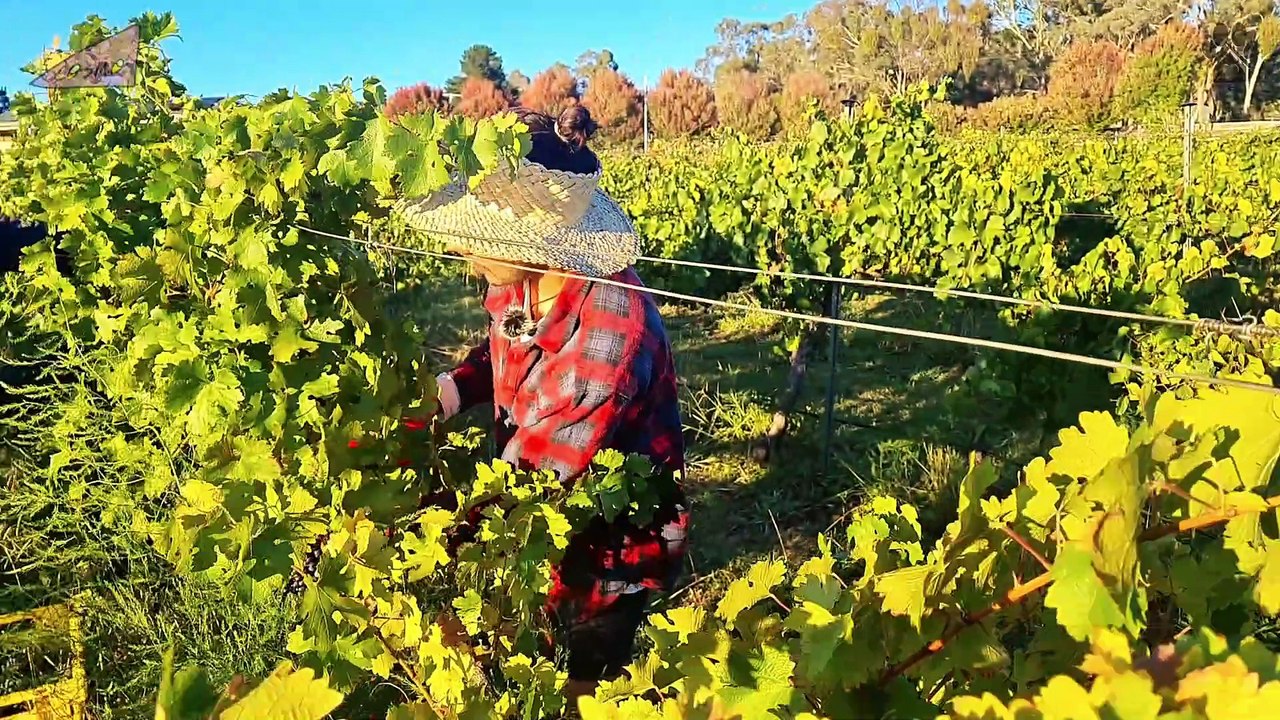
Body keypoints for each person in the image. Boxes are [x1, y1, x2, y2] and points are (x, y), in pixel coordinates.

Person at [396, 105, 689, 699]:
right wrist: (451, 393)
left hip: (611, 554)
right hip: (545, 525)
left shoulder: (611, 336)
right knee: (539, 643)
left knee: (590, 682)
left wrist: (411, 533)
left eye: (479, 232)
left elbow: (529, 485)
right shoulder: (524, 280)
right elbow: (503, 346)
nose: (464, 251)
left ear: (533, 236)